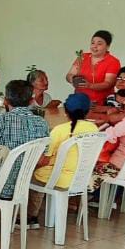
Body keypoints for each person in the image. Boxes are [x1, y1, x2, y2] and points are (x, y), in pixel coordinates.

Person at [26, 93, 99, 227]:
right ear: (88, 111)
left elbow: (44, 161)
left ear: (65, 111)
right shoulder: (94, 128)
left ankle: (30, 217)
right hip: (81, 178)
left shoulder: (59, 130)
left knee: (32, 174)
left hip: (59, 179)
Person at [0, 80, 51, 200]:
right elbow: (41, 159)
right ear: (31, 101)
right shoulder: (42, 123)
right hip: (24, 186)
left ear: (5, 101)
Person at [66, 30, 120, 107]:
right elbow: (69, 75)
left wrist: (90, 85)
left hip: (102, 105)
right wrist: (73, 79)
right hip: (80, 102)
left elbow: (108, 84)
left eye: (99, 44)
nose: (95, 46)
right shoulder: (82, 57)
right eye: (92, 43)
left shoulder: (113, 61)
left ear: (107, 46)